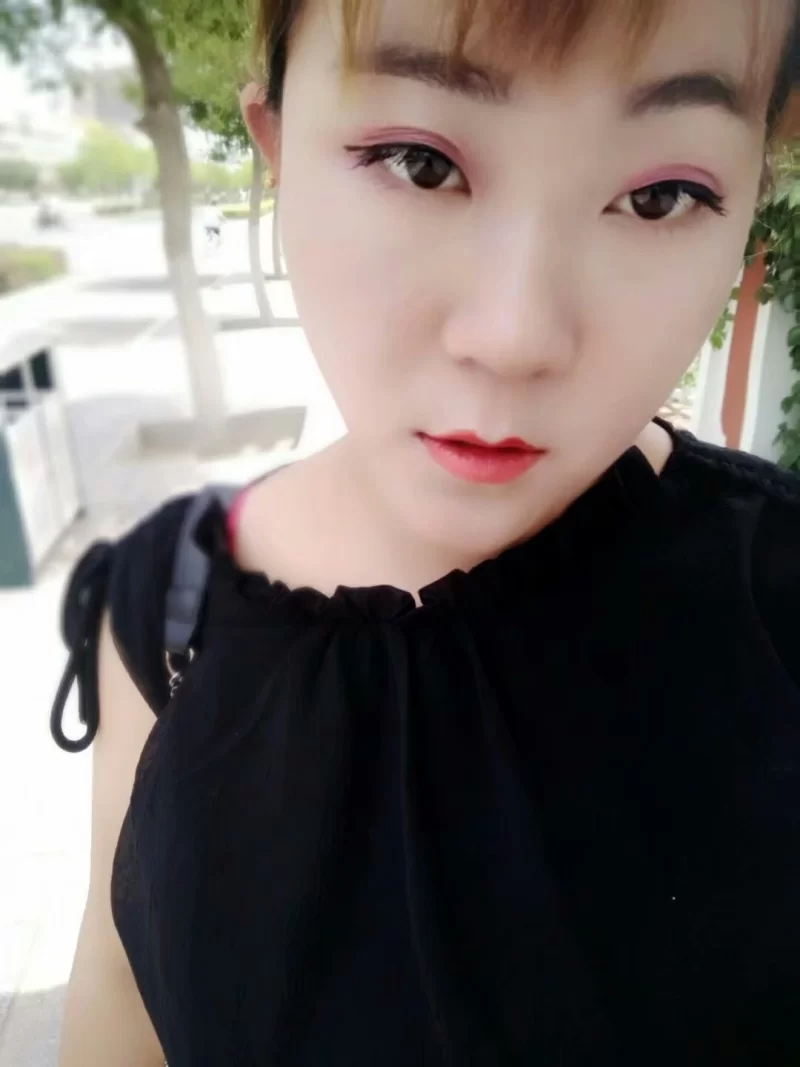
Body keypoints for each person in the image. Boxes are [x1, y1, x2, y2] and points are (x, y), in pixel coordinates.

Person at [54, 0, 800, 1064]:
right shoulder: (165, 608)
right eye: (418, 162)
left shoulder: (776, 603)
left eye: (659, 196)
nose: (514, 336)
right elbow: (117, 986)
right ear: (276, 148)